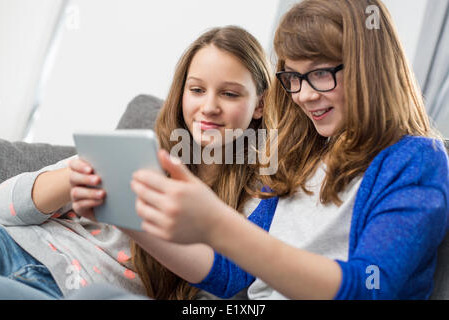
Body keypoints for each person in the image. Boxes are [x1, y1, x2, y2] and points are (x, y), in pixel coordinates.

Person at [110, 0, 448, 300]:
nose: (303, 95)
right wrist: (127, 218)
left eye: (319, 74)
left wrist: (218, 224)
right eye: (294, 78)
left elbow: (369, 286)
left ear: (368, 68)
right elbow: (229, 275)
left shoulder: (416, 160)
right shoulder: (298, 156)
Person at [0, 25, 271, 299]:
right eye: (197, 89)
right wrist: (73, 179)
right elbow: (4, 206)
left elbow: (225, 287)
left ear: (259, 105)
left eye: (230, 94)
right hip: (14, 245)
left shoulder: (256, 202)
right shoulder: (140, 150)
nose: (209, 106)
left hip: (67, 287)